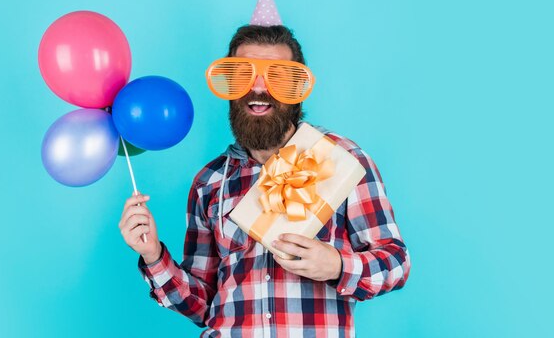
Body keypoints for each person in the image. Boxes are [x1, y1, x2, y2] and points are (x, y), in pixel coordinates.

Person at [118, 24, 411, 337]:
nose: (258, 87)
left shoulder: (340, 159)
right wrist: (153, 256)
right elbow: (202, 305)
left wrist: (337, 266)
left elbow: (396, 263)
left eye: (278, 77)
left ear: (297, 88)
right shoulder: (209, 181)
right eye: (243, 74)